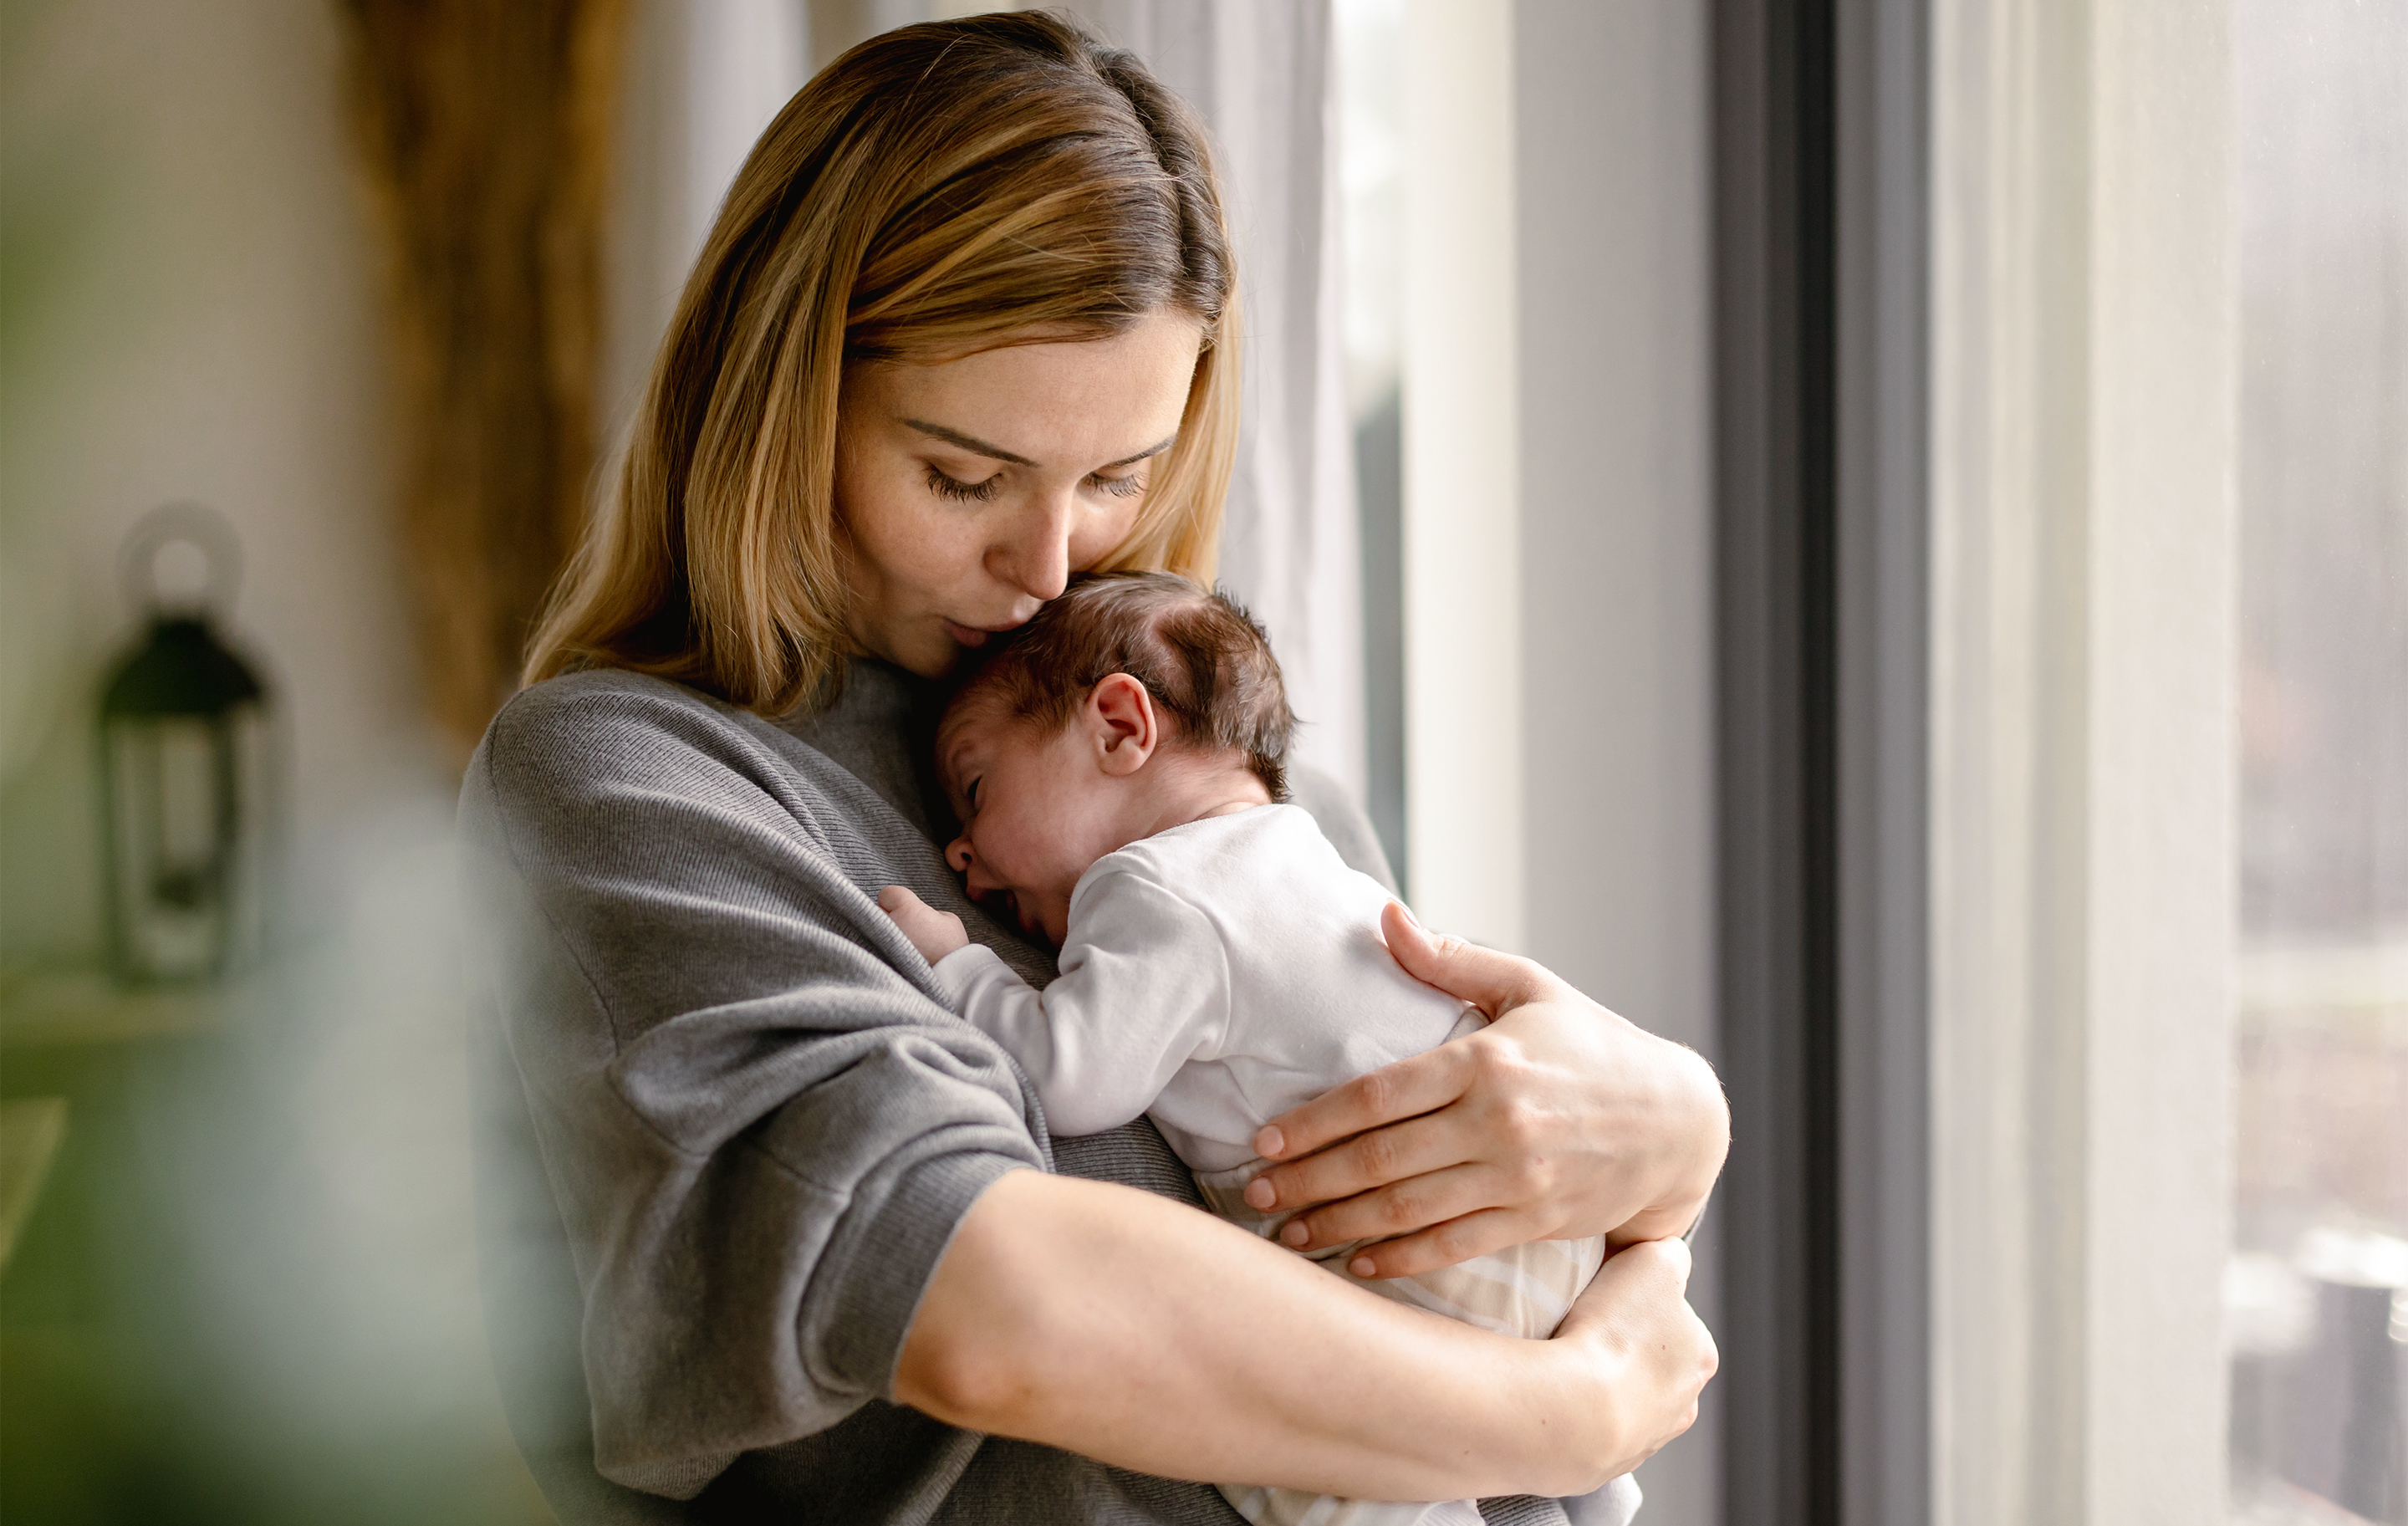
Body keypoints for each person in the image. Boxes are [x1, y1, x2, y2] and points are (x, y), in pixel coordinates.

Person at [460, 13, 1725, 1525]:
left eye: (1118, 478)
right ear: (783, 395)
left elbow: (1473, 1244)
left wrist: (1667, 1142)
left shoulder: (1243, 793)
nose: (1047, 566)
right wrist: (1567, 1413)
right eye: (963, 477)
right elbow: (982, 1292)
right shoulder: (635, 783)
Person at [872, 571, 1637, 1526]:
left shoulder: (1157, 889)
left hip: (1410, 1261)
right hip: (1530, 1232)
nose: (960, 854)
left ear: (1119, 726)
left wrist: (959, 964)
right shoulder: (1303, 852)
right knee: (1566, 1472)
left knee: (1316, 1462)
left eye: (976, 790)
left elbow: (1065, 1077)